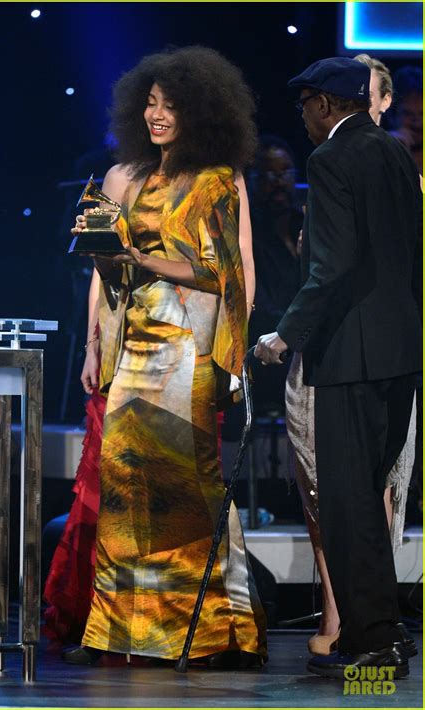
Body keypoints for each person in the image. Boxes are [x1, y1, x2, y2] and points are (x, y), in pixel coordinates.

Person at [62, 46, 267, 668]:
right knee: (124, 484)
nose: (156, 114)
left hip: (191, 351)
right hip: (136, 346)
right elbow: (113, 275)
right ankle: (119, 632)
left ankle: (206, 632)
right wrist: (98, 313)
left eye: (170, 105)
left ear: (201, 111)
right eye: (149, 103)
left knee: (189, 490)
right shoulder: (135, 177)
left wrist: (233, 352)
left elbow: (226, 274)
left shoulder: (218, 181)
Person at [255, 57, 421, 678]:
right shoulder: (396, 154)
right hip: (401, 353)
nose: (301, 115)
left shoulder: (330, 161)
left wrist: (284, 337)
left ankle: (374, 640)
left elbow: (331, 266)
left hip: (349, 354)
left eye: (305, 104)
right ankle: (385, 632)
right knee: (368, 497)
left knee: (348, 504)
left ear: (327, 104)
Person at [247, 135, 302, 413]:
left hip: (306, 340)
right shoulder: (250, 234)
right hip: (269, 348)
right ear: (253, 180)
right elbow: (260, 302)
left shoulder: (305, 223)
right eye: (269, 173)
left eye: (285, 172)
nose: (278, 181)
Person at [389, 65, 423, 174]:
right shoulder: (380, 152)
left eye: (423, 114)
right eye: (408, 114)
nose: (417, 121)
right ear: (392, 116)